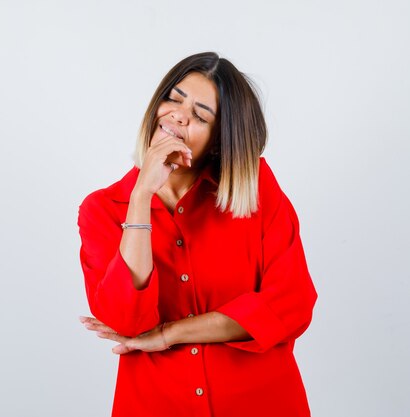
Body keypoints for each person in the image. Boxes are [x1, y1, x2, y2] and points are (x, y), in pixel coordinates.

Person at [77, 52, 318, 417]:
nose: (178, 114)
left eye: (200, 114)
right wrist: (141, 196)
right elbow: (126, 321)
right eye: (173, 98)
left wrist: (169, 333)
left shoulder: (256, 190)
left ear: (219, 140)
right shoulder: (102, 209)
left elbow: (292, 305)